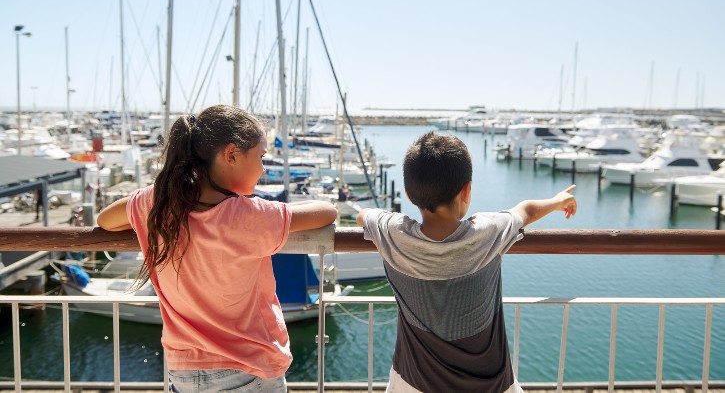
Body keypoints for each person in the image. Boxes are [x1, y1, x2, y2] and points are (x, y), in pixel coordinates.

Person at [97, 105, 338, 393]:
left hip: (183, 373)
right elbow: (326, 211)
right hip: (248, 371)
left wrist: (153, 195)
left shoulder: (157, 203)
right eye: (261, 156)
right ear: (232, 154)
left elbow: (105, 221)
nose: (263, 168)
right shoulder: (252, 216)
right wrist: (278, 209)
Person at [356, 132, 577, 393]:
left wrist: (386, 218)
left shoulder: (393, 234)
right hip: (491, 384)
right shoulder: (488, 232)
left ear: (408, 193)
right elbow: (527, 210)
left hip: (413, 382)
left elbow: (362, 216)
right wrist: (558, 200)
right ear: (466, 190)